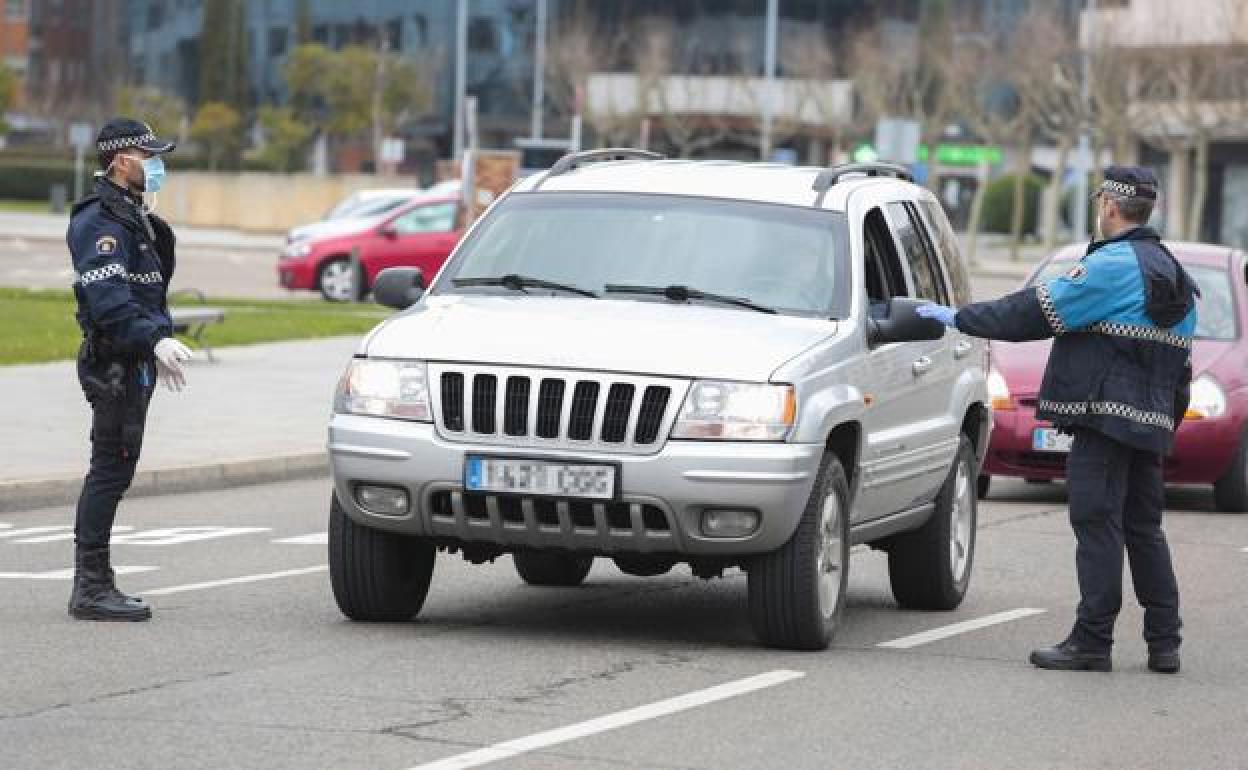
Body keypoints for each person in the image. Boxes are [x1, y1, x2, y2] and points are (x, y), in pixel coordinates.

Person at [917, 166, 1196, 674]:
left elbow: (1034, 312)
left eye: (1100, 203)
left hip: (1103, 421)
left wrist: (957, 317)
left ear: (1110, 206)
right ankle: (1164, 643)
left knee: (1096, 523)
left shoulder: (1111, 266)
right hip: (1149, 426)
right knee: (1144, 529)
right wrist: (1162, 426)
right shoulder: (1175, 274)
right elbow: (1182, 370)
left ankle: (1092, 641)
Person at [67, 118, 192, 621]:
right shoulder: (99, 221)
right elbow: (110, 303)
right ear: (122, 161)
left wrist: (155, 343)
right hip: (113, 364)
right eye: (150, 156)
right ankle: (91, 587)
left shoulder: (135, 216)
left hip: (132, 361)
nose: (158, 165)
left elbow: (146, 292)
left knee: (117, 470)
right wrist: (155, 340)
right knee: (109, 471)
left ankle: (96, 584)